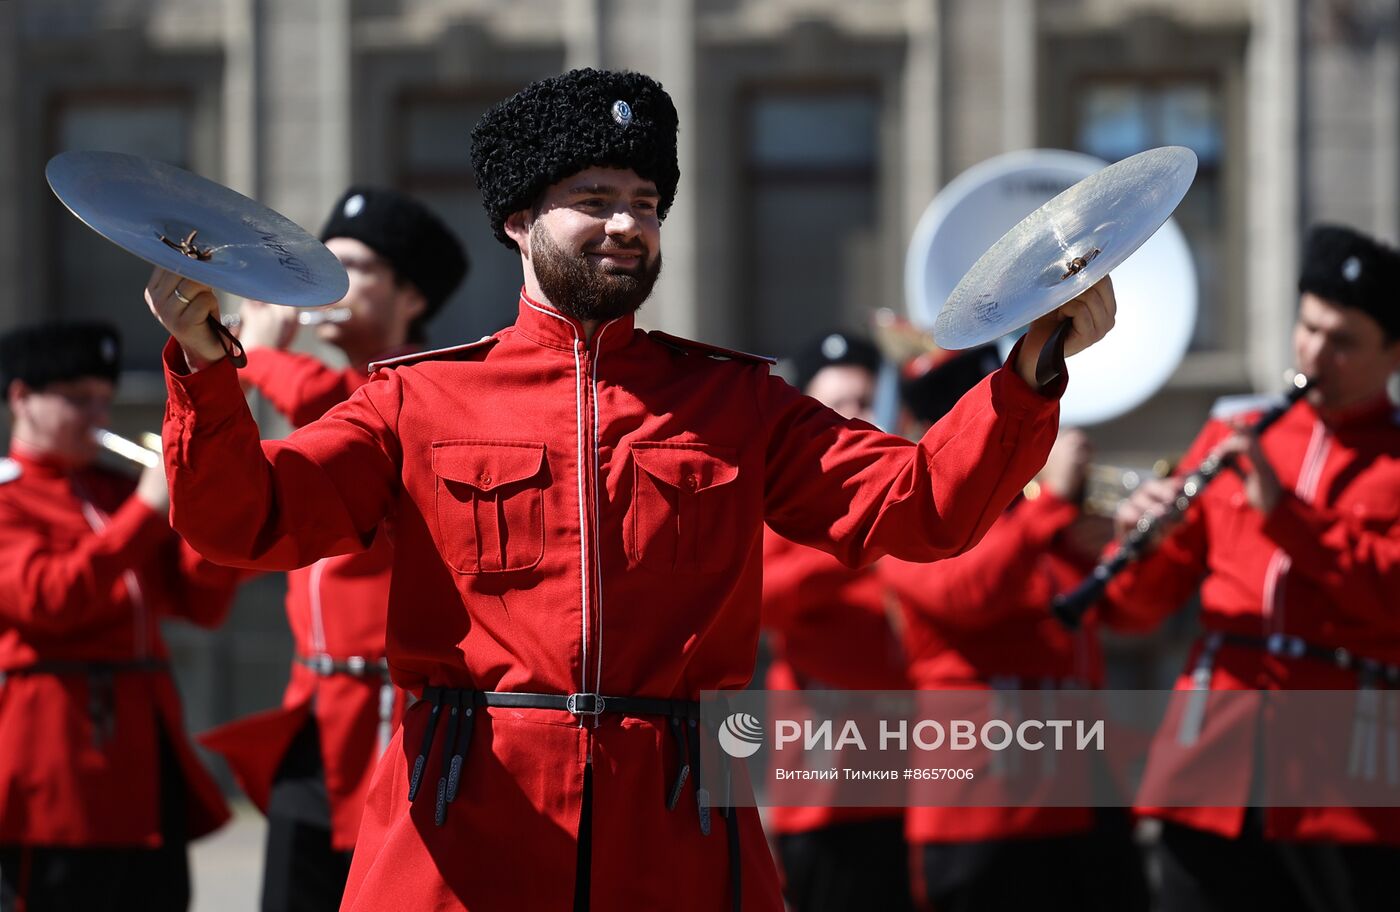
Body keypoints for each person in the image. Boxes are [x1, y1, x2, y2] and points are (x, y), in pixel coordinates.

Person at [142, 68, 1116, 911]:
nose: (625, 225)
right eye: (595, 197)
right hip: (465, 832)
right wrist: (205, 373)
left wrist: (1025, 376)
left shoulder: (736, 400)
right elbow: (246, 523)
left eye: (645, 203)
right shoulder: (419, 397)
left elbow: (920, 505)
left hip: (682, 838)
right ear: (519, 220)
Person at [1101, 223, 1400, 912]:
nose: (1316, 353)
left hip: (1343, 784)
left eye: (1344, 341)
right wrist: (1136, 550)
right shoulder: (1236, 431)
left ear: (1393, 354)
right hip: (1209, 763)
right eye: (1308, 328)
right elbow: (1137, 614)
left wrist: (1286, 517)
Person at [198, 187, 468, 912]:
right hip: (315, 708)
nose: (331, 284)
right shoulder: (331, 386)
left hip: (396, 712)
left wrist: (248, 350)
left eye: (354, 267)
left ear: (411, 296)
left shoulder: (423, 385)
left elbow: (338, 407)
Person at [879, 345, 1148, 912]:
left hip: (1082, 800)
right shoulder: (905, 518)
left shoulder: (1038, 521)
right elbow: (964, 594)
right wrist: (1048, 505)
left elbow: (1126, 615)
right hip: (983, 813)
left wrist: (1144, 543)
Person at [0, 322, 240, 912]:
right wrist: (145, 510)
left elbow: (198, 607)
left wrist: (216, 520)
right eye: (77, 399)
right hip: (53, 760)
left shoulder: (116, 491)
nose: (96, 415)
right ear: (21, 398)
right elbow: (48, 599)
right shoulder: (10, 497)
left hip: (142, 754)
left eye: (103, 400)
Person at [760, 330, 914, 912]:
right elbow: (760, 600)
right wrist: (862, 548)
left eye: (864, 402)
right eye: (835, 405)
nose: (853, 417)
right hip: (827, 790)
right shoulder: (782, 503)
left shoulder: (899, 493)